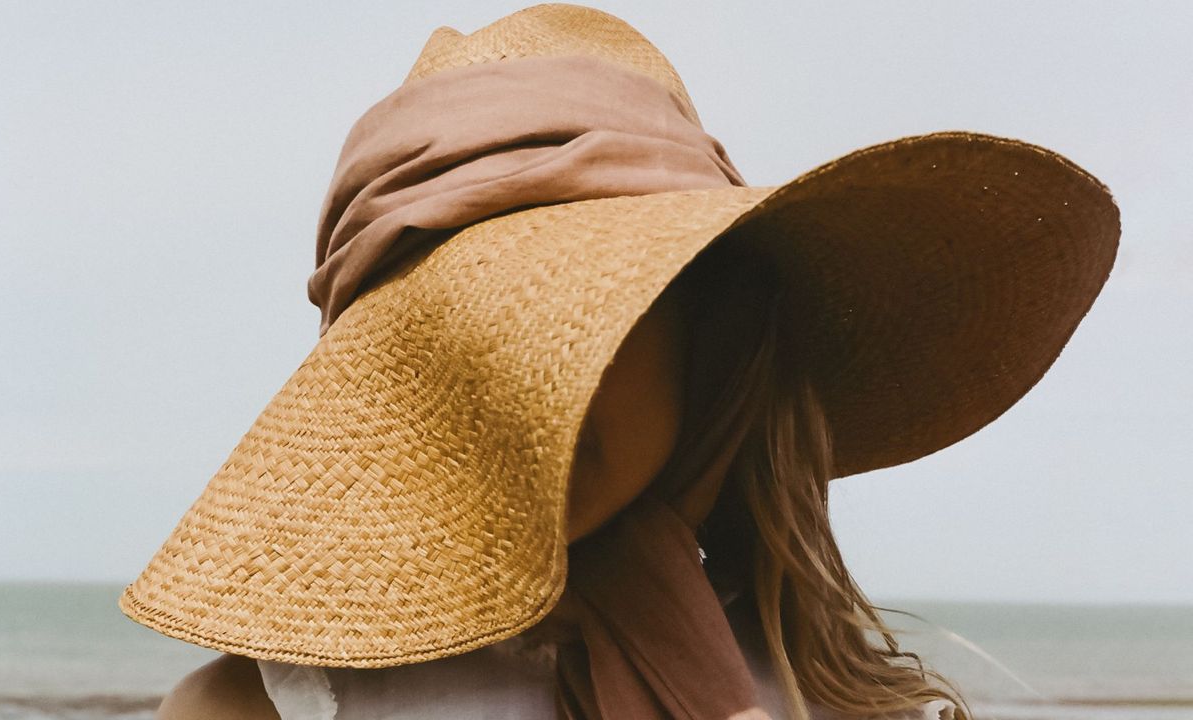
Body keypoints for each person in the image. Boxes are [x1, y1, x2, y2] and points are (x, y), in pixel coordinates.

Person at [121, 4, 1119, 719]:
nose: (518, 389)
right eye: (460, 340)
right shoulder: (265, 710)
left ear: (710, 325)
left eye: (565, 317)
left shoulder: (834, 701)